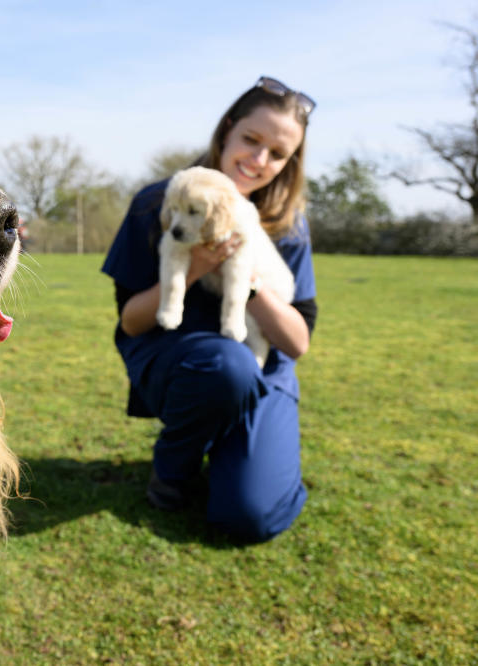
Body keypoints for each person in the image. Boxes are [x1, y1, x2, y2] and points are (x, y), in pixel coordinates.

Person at [101, 76, 318, 543]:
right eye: (251, 140)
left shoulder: (289, 225)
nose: (259, 161)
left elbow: (297, 342)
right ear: (227, 130)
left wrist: (249, 281)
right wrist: (197, 264)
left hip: (265, 367)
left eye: (277, 154)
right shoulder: (159, 203)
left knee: (248, 516)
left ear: (289, 162)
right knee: (225, 364)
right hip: (184, 361)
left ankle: (232, 446)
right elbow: (132, 321)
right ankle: (173, 468)